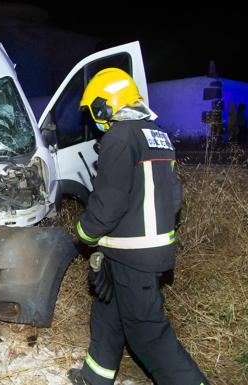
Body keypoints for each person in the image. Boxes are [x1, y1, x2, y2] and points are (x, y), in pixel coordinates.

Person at [68, 68, 209, 385]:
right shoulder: (157, 134)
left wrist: (84, 234)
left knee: (147, 333)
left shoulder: (118, 137)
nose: (94, 119)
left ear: (106, 105)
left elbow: (110, 201)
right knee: (107, 310)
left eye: (95, 111)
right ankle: (96, 376)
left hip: (134, 254)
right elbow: (173, 197)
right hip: (143, 249)